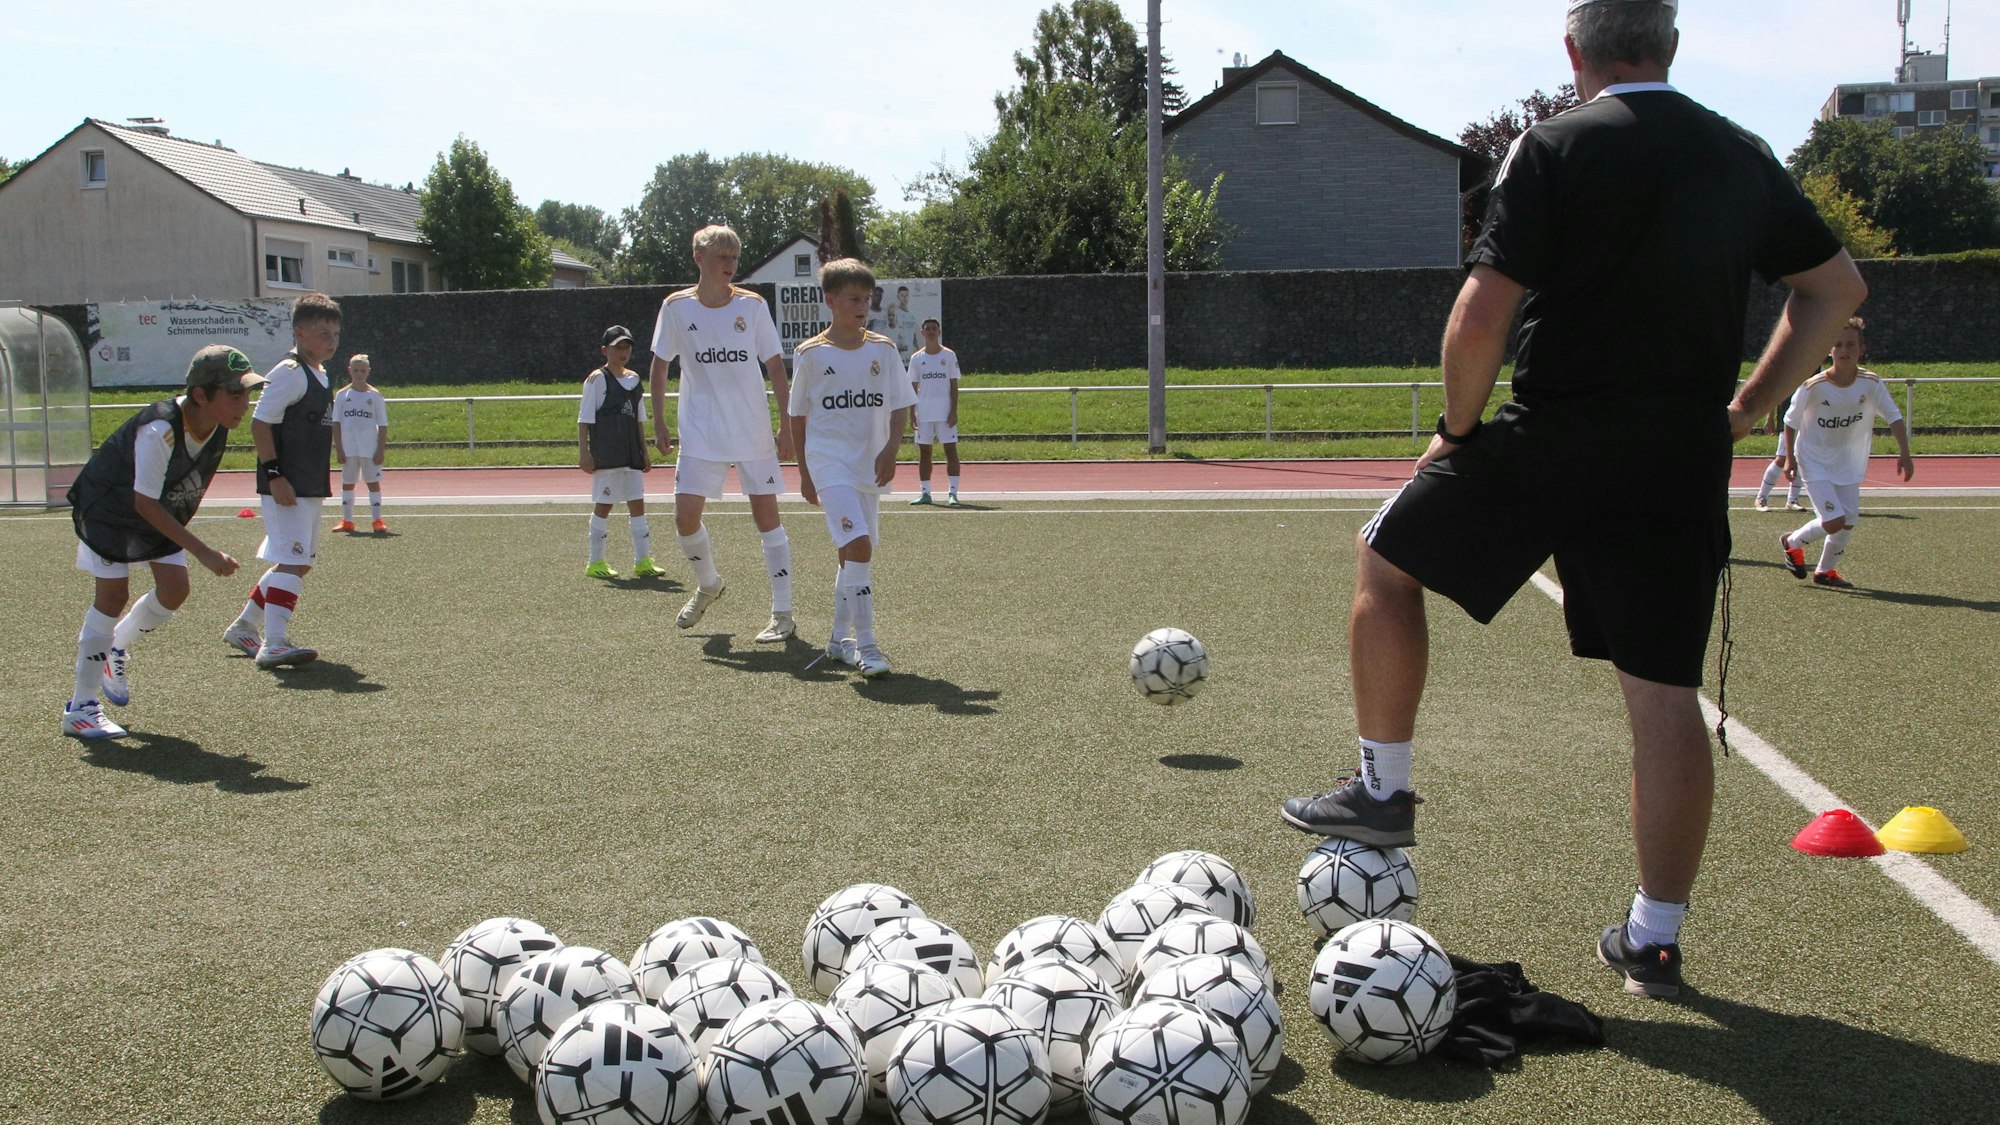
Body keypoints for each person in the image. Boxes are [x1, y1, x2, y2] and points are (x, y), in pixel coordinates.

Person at [1279, 0, 1866, 999]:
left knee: (1384, 561)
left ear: (1573, 53)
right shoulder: (1737, 153)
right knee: (1661, 697)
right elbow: (1833, 288)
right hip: (1676, 453)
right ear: (1670, 47)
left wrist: (1456, 433)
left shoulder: (1550, 147)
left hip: (1555, 433)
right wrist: (1746, 406)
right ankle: (1654, 940)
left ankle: (1381, 792)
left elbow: (1478, 318)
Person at [61, 345, 262, 738]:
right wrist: (204, 552)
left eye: (248, 393)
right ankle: (81, 708)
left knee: (174, 589)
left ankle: (114, 647)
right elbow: (143, 502)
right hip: (110, 509)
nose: (246, 403)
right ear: (202, 396)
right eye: (236, 394)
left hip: (151, 508)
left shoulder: (217, 424)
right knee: (112, 596)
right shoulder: (160, 430)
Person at [649, 224, 798, 642]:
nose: (730, 265)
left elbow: (774, 365)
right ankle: (709, 583)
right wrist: (658, 420)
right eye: (721, 257)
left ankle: (783, 613)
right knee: (684, 518)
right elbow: (660, 366)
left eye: (734, 258)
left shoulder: (752, 306)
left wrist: (785, 424)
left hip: (751, 431)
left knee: (767, 520)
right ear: (699, 258)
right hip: (700, 433)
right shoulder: (676, 307)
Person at [789, 257, 917, 678]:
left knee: (854, 554)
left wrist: (891, 449)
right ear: (831, 301)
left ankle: (837, 640)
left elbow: (900, 403)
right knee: (858, 545)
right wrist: (807, 474)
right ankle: (868, 647)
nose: (862, 306)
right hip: (829, 464)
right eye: (853, 299)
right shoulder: (809, 355)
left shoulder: (882, 349)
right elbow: (797, 416)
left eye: (867, 299)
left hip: (868, 465)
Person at [223, 292, 345, 669]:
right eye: (323, 333)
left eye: (336, 333)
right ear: (300, 333)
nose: (331, 340)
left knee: (298, 562)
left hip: (309, 484)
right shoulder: (289, 373)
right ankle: (274, 643)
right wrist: (275, 476)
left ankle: (244, 626)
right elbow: (261, 424)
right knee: (292, 562)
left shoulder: (320, 374)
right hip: (287, 485)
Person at [1778, 317, 1913, 589]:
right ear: (1829, 350)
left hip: (1847, 461)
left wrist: (1905, 453)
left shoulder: (1871, 383)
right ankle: (1792, 542)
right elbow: (1790, 421)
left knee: (1849, 521)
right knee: (1833, 520)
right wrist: (1789, 458)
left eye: (1851, 344)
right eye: (1838, 344)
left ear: (1862, 348)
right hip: (1814, 460)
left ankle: (1825, 571)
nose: (1844, 350)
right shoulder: (1813, 386)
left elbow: (1894, 416)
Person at [580, 325, 663, 579]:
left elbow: (639, 419)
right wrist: (585, 452)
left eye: (626, 347)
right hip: (607, 453)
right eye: (617, 347)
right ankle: (595, 562)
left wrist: (644, 451)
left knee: (637, 504)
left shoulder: (635, 379)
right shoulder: (596, 379)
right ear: (605, 350)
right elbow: (584, 419)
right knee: (604, 505)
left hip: (631, 454)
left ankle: (643, 560)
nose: (623, 352)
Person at [907, 318, 964, 506]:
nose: (931, 332)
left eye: (934, 329)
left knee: (950, 450)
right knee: (925, 452)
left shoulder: (949, 356)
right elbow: (912, 387)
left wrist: (953, 411)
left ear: (939, 332)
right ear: (922, 333)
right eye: (927, 329)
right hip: (923, 413)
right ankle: (925, 493)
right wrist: (911, 413)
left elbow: (954, 384)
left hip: (945, 413)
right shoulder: (916, 358)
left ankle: (953, 493)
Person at [332, 353, 390, 533]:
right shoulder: (342, 395)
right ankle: (347, 521)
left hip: (369, 448)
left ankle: (377, 520)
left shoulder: (375, 395)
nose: (359, 374)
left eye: (362, 370)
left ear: (368, 372)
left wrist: (380, 449)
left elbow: (382, 425)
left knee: (372, 482)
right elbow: (336, 423)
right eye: (355, 370)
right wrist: (339, 448)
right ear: (349, 371)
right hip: (349, 448)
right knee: (348, 482)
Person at [1751, 388, 1808, 512]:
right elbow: (1775, 392)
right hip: (1788, 416)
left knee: (1801, 457)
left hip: (1807, 418)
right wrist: (1770, 418)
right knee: (1782, 458)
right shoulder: (1788, 369)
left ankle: (1792, 500)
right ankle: (1761, 498)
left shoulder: (1814, 370)